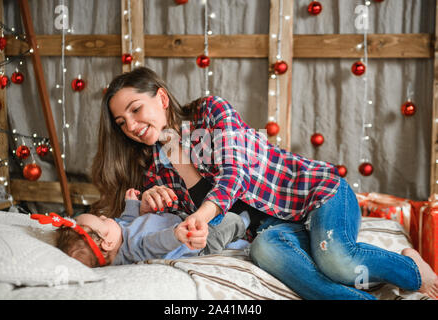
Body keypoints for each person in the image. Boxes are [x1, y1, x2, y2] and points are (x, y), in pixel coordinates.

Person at [91, 66, 438, 299]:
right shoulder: (158, 168)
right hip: (273, 229)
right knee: (265, 249)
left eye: (136, 109)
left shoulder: (211, 112)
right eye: (122, 122)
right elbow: (186, 226)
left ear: (162, 99)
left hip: (316, 196)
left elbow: (235, 174)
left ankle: (411, 268)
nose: (131, 125)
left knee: (335, 259)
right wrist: (152, 197)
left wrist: (204, 210)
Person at [56, 186, 250, 267]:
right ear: (107, 243)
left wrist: (132, 203)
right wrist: (176, 235)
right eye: (103, 220)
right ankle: (247, 223)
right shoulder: (133, 250)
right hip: (196, 241)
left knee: (219, 225)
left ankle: (235, 242)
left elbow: (127, 221)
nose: (106, 216)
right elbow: (155, 244)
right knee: (228, 222)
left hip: (180, 220)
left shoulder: (120, 233)